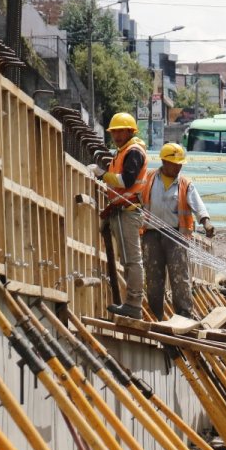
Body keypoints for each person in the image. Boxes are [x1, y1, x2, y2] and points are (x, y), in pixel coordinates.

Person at [139, 142, 214, 321]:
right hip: (151, 234)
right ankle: (156, 316)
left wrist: (206, 223)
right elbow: (136, 197)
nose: (179, 166)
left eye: (181, 163)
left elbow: (198, 206)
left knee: (180, 276)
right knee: (153, 277)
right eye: (176, 163)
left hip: (176, 235)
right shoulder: (148, 178)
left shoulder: (185, 183)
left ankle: (184, 315)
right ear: (165, 162)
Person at [90, 113, 149, 319]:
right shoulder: (123, 151)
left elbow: (126, 181)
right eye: (113, 131)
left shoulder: (133, 152)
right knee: (129, 260)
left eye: (119, 131)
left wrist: (101, 174)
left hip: (128, 212)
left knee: (132, 261)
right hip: (121, 210)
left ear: (130, 131)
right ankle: (131, 303)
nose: (115, 135)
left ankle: (133, 304)